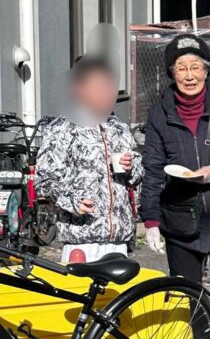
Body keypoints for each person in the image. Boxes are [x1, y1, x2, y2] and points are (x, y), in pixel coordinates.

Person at [140, 33, 210, 339]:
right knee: (187, 289)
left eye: (195, 66)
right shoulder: (159, 113)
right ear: (172, 73)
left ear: (207, 70)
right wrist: (151, 219)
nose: (189, 75)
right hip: (180, 213)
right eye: (181, 67)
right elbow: (153, 167)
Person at [37, 56, 143, 263]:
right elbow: (45, 181)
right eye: (99, 87)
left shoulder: (119, 128)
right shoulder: (62, 128)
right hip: (80, 241)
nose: (107, 93)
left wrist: (131, 166)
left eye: (110, 86)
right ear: (79, 89)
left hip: (119, 241)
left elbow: (138, 174)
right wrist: (72, 201)